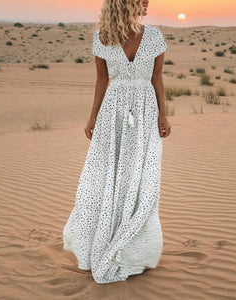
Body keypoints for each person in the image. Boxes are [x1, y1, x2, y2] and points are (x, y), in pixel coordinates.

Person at [63, 0, 171, 284]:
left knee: (141, 176)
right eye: (143, 1)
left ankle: (133, 244)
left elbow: (157, 76)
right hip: (114, 114)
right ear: (129, 4)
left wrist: (164, 114)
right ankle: (109, 241)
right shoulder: (102, 38)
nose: (147, 4)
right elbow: (102, 80)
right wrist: (92, 118)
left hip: (146, 112)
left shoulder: (155, 36)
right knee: (110, 175)